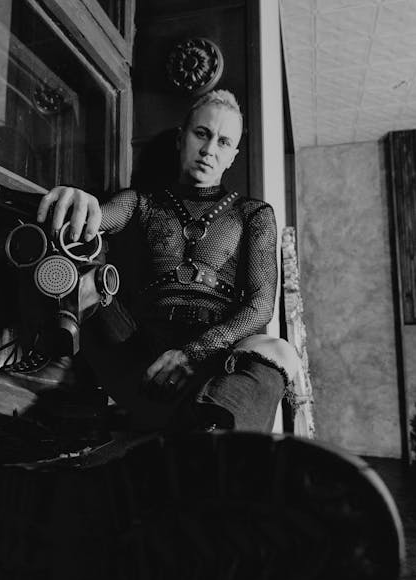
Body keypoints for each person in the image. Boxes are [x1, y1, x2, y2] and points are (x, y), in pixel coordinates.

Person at [36, 89, 300, 432]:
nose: (209, 150)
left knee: (279, 351)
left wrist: (193, 352)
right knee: (86, 277)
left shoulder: (253, 214)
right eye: (201, 134)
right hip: (139, 358)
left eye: (223, 142)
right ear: (181, 138)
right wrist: (80, 202)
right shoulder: (141, 202)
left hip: (211, 365)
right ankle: (54, 373)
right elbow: (98, 218)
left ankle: (217, 449)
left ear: (233, 155)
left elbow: (261, 305)